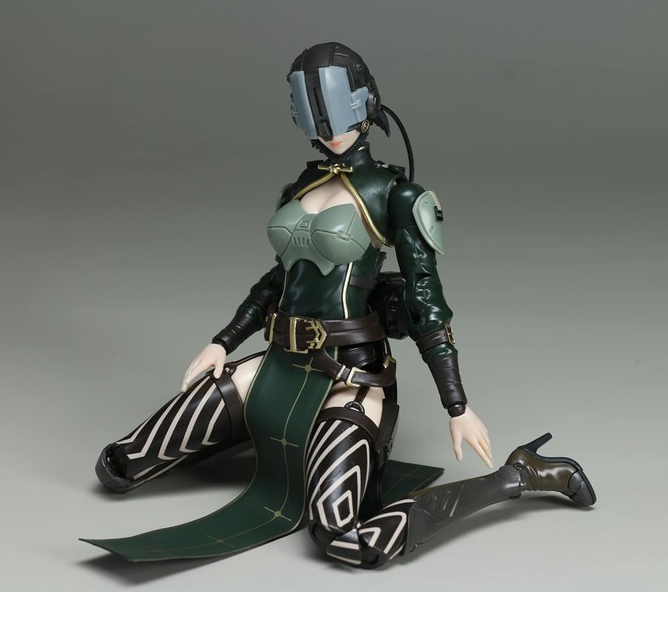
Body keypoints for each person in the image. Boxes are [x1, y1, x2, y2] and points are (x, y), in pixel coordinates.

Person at [87, 42, 595, 568]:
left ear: (366, 104)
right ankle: (275, 439)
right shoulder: (300, 186)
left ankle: (520, 474)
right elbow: (277, 280)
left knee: (347, 541)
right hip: (277, 367)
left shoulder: (395, 194)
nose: (332, 132)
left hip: (350, 376)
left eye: (340, 115)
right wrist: (223, 341)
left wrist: (457, 405)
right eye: (318, 119)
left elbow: (426, 300)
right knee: (117, 467)